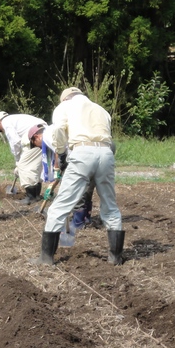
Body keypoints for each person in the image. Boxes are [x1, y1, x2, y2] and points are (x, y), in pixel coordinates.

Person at [35, 87, 124, 265]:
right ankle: (115, 257)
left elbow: (58, 130)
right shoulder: (101, 110)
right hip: (106, 154)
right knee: (110, 205)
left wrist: (61, 153)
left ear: (65, 98)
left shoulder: (64, 107)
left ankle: (46, 257)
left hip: (82, 152)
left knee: (60, 206)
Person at [0, 110, 46, 204]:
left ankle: (31, 197)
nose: (1, 130)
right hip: (43, 133)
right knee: (35, 167)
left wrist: (18, 161)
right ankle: (36, 195)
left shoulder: (6, 122)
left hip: (35, 136)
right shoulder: (15, 118)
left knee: (24, 166)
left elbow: (15, 142)